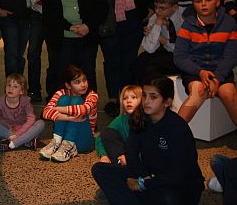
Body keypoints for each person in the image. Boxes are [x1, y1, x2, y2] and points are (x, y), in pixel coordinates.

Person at [92, 76, 204, 205]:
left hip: (177, 184)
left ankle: (128, 195)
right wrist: (142, 178)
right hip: (148, 175)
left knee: (168, 199)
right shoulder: (140, 118)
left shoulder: (177, 128)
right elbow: (131, 153)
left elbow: (179, 174)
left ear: (167, 102)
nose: (146, 101)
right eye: (144, 96)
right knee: (100, 169)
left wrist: (144, 184)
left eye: (153, 97)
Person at [98, 0, 157, 117]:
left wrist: (150, 9)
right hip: (109, 22)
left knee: (128, 61)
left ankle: (128, 98)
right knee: (111, 61)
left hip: (132, 22)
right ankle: (113, 99)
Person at [42, 0, 108, 94]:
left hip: (86, 38)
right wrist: (69, 27)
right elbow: (49, 13)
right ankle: (62, 110)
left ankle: (88, 111)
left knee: (87, 76)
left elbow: (102, 9)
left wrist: (88, 26)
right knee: (62, 76)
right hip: (62, 38)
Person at [173, 0, 237, 124]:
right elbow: (179, 57)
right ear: (193, 4)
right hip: (195, 70)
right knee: (198, 91)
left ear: (217, 2)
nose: (203, 4)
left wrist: (217, 78)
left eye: (208, 0)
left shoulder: (229, 23)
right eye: (198, 1)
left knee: (229, 93)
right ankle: (174, 132)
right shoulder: (187, 25)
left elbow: (231, 56)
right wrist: (200, 72)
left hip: (221, 70)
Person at [40, 65, 98, 162]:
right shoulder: (61, 93)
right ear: (68, 85)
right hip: (63, 138)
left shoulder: (92, 95)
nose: (83, 85)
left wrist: (58, 109)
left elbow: (83, 109)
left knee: (77, 100)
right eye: (77, 82)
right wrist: (70, 118)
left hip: (83, 140)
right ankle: (57, 141)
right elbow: (45, 113)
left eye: (84, 80)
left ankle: (69, 144)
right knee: (64, 99)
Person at [130, 0, 184, 84]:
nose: (158, 11)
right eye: (156, 7)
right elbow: (149, 48)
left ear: (175, 7)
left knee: (151, 66)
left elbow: (182, 50)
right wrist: (157, 25)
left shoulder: (184, 17)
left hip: (182, 55)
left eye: (162, 8)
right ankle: (137, 95)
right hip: (164, 53)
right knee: (139, 62)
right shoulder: (155, 17)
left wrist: (165, 42)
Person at [0, 73, 45, 152]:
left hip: (24, 127)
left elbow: (31, 119)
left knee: (40, 123)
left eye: (15, 87)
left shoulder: (25, 101)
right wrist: (10, 129)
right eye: (9, 85)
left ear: (21, 91)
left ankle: (12, 144)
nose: (11, 89)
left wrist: (18, 133)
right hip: (8, 129)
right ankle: (25, 141)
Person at [95, 85, 143, 165]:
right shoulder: (120, 119)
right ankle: (121, 163)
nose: (128, 101)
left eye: (133, 97)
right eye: (125, 98)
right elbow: (101, 137)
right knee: (107, 132)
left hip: (141, 157)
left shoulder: (146, 119)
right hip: (124, 154)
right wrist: (104, 155)